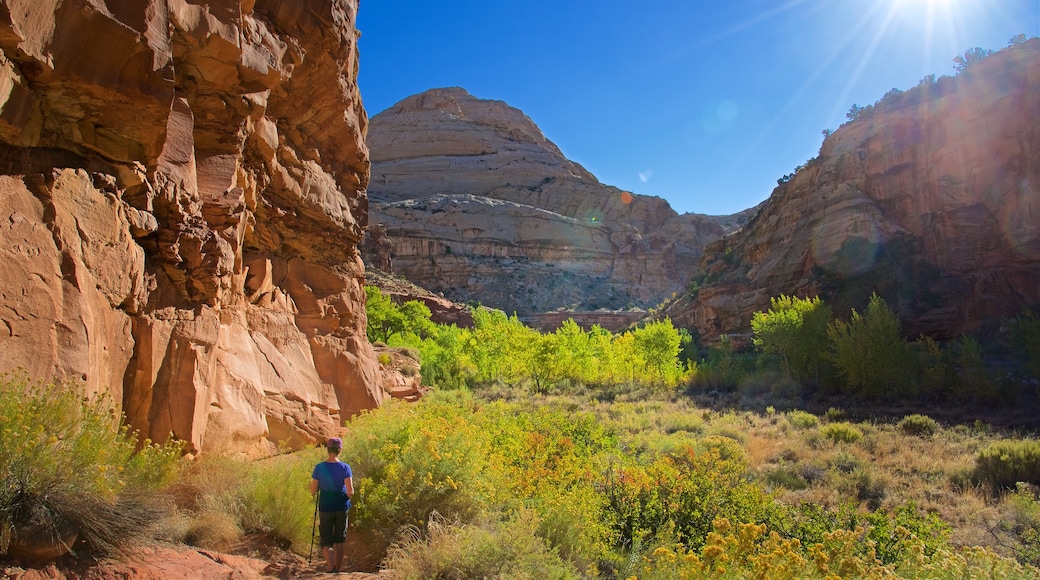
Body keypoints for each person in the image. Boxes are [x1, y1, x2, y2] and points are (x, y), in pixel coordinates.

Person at [311, 437, 354, 573]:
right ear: (339, 450)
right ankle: (338, 569)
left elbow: (313, 490)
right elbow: (350, 491)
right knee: (339, 539)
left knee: (326, 539)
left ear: (328, 449)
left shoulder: (319, 467)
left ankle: (331, 568)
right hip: (341, 506)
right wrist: (344, 498)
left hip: (325, 506)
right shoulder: (345, 467)